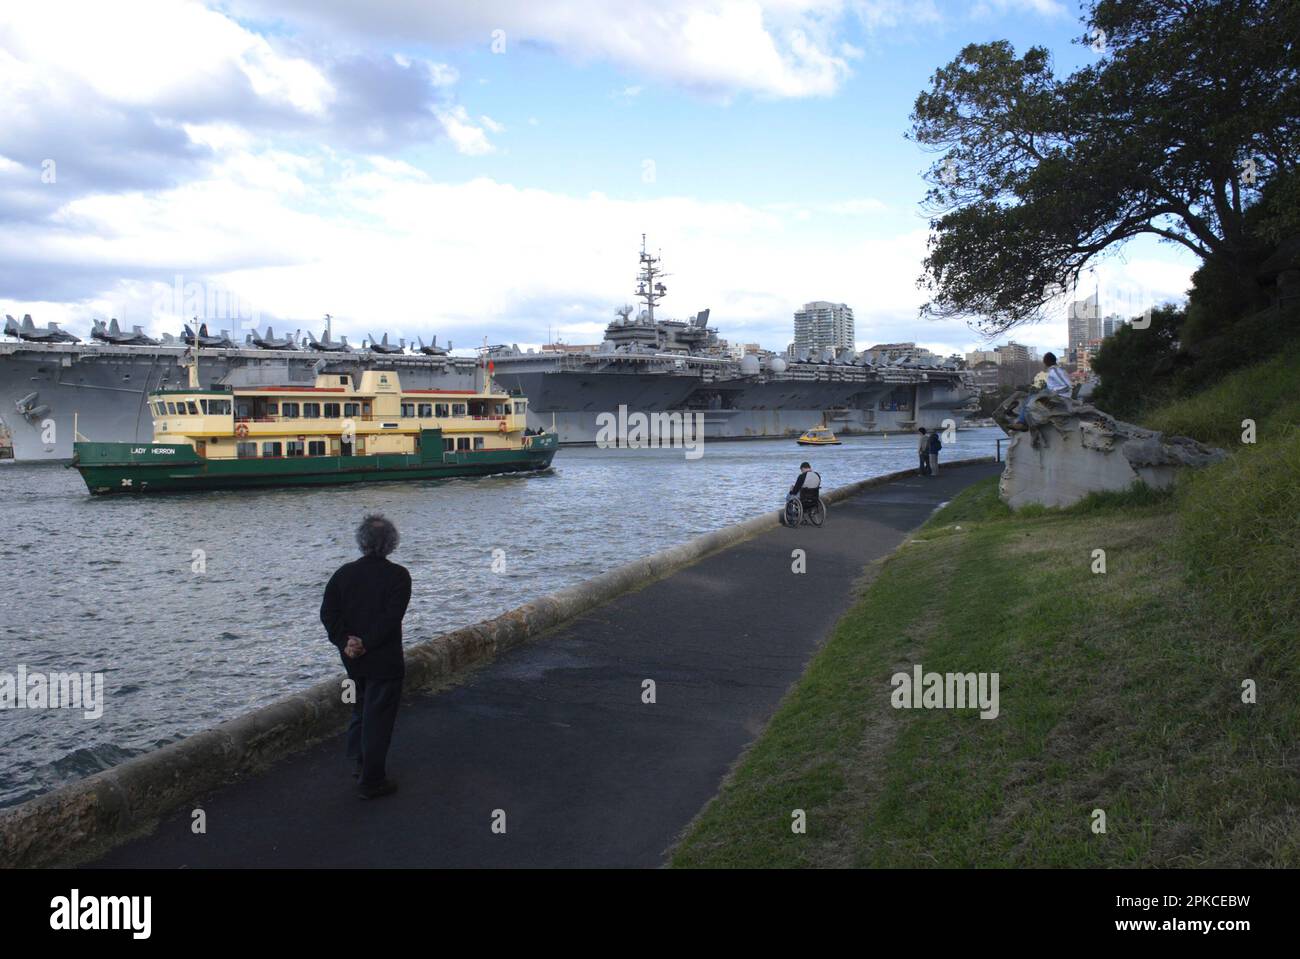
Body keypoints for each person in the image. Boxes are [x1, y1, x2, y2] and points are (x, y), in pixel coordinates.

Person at [320, 514, 412, 799]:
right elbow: (390, 619)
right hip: (383, 660)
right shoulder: (399, 576)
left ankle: (359, 763)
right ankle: (372, 781)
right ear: (391, 544)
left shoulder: (343, 574)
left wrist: (346, 642)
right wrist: (367, 643)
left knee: (361, 709)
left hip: (352, 659)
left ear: (361, 542)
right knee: (379, 719)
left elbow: (328, 613)